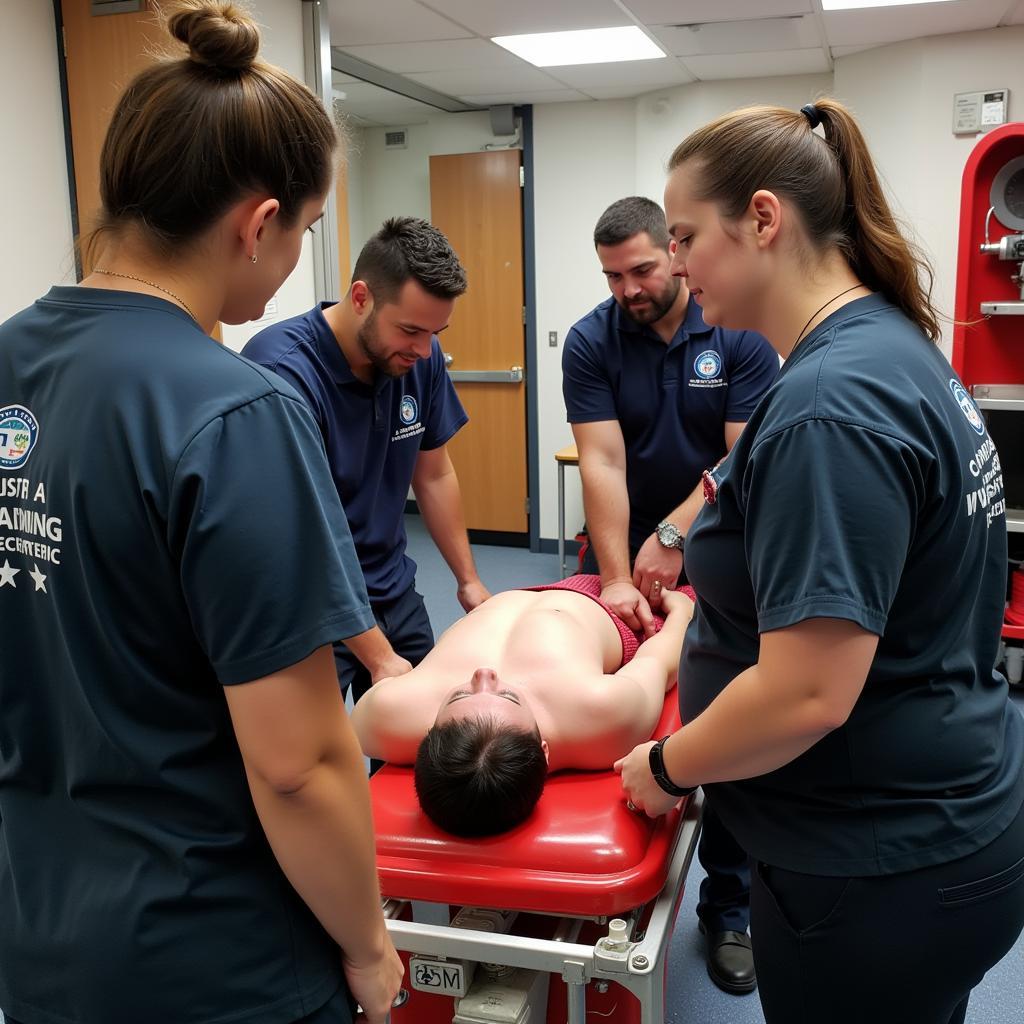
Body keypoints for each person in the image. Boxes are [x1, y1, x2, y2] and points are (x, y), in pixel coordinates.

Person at [0, 3, 402, 1023]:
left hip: (41, 931)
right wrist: (366, 947)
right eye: (306, 230)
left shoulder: (9, 362)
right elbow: (301, 763)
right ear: (258, 223)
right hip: (214, 956)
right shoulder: (234, 411)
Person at [616, 99, 1024, 1024]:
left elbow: (808, 694)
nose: (675, 263)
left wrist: (670, 766)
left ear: (763, 219)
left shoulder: (829, 407)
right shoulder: (885, 346)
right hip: (944, 821)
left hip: (876, 868)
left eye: (684, 236)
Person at [562, 195, 778, 994]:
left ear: (675, 254)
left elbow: (743, 454)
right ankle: (594, 881)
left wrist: (677, 534)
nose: (628, 289)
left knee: (724, 719)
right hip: (625, 549)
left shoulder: (737, 331)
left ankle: (729, 907)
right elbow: (603, 465)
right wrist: (617, 575)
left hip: (719, 551)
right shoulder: (592, 340)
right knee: (617, 702)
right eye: (613, 276)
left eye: (643, 269)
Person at [244, 217, 490, 705]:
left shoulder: (420, 358)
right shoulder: (280, 372)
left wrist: (469, 581)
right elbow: (297, 539)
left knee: (421, 740)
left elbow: (434, 472)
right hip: (311, 609)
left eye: (436, 332)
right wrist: (377, 656)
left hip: (391, 586)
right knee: (315, 765)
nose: (424, 350)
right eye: (411, 330)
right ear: (360, 298)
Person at [351, 577, 694, 837]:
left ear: (427, 735)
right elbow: (663, 657)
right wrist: (683, 610)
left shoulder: (385, 717)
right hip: (605, 608)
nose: (485, 674)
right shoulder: (603, 713)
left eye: (458, 696)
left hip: (510, 594)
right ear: (544, 750)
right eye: (509, 695)